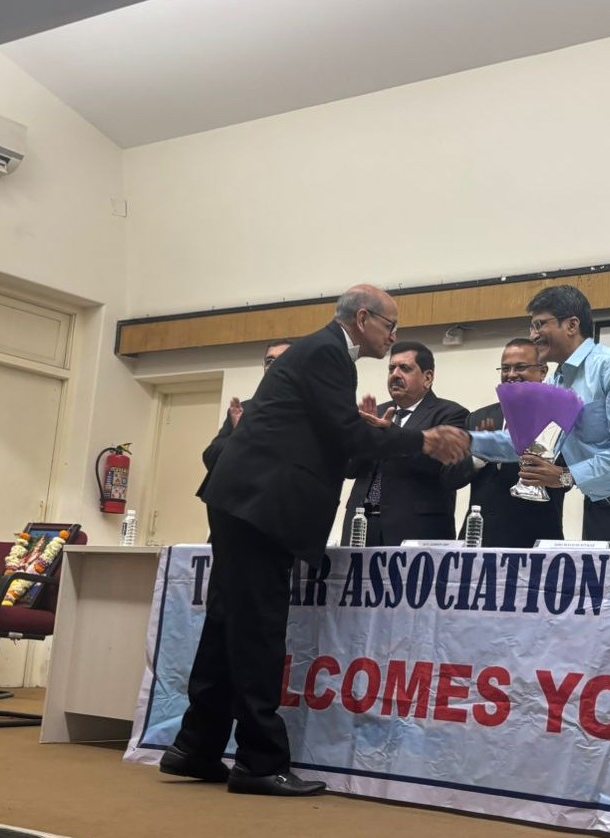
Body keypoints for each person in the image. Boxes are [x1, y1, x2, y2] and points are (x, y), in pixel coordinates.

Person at [161, 285, 469, 796]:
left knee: (227, 624)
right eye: (391, 326)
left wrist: (367, 429)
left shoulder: (320, 352)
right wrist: (422, 439)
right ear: (364, 318)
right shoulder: (329, 353)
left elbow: (329, 434)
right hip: (262, 505)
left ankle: (195, 746)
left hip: (244, 500)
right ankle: (259, 763)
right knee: (258, 631)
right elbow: (347, 437)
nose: (393, 337)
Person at [470, 285, 610, 549]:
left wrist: (567, 476)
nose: (533, 335)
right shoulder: (556, 383)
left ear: (571, 325)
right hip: (597, 504)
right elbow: (531, 442)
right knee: (597, 578)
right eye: (531, 327)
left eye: (540, 325)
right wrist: (467, 441)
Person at [343, 341, 474, 545]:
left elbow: (443, 467)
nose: (395, 374)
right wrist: (363, 439)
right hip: (362, 525)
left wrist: (390, 434)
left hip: (416, 529)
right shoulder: (376, 413)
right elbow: (350, 470)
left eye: (404, 368)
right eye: (391, 368)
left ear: (427, 378)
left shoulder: (452, 414)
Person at [459, 338, 567, 547]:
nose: (511, 374)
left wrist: (558, 476)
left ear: (543, 371)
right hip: (479, 541)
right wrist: (480, 456)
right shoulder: (478, 418)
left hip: (535, 544)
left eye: (520, 367)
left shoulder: (559, 418)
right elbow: (450, 478)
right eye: (505, 368)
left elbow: (573, 478)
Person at [197, 339, 292, 493]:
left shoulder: (313, 409)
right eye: (270, 361)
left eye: (283, 358)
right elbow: (210, 456)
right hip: (238, 499)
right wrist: (240, 434)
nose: (274, 365)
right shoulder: (244, 410)